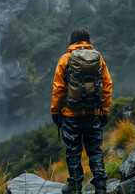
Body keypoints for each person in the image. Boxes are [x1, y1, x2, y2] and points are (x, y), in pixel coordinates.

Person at [50, 28, 113, 194]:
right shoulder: (98, 59)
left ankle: (75, 186)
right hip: (93, 113)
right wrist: (104, 111)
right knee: (94, 149)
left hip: (71, 115)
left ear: (72, 41)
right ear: (88, 40)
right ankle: (100, 186)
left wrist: (55, 112)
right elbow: (107, 86)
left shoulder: (65, 58)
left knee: (73, 150)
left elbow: (59, 89)